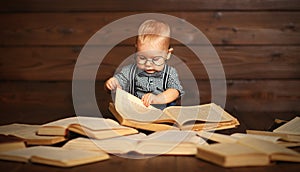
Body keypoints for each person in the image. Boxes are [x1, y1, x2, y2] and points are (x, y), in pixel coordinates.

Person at [105, 19, 184, 109]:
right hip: (135, 113)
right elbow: (118, 81)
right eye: (142, 58)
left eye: (155, 59)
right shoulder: (130, 71)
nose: (148, 64)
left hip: (160, 115)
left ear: (168, 54)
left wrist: (157, 99)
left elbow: (175, 91)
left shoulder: (169, 73)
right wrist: (112, 84)